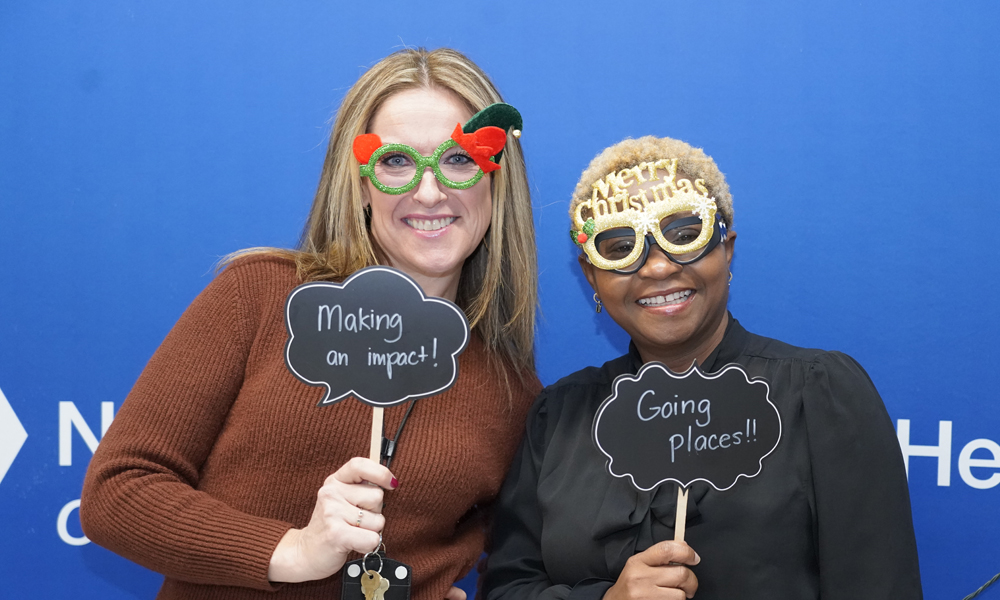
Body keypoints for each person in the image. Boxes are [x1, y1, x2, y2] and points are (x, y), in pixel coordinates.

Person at [80, 48, 541, 600]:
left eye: (460, 159)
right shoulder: (260, 295)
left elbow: (515, 566)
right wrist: (293, 551)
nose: (428, 191)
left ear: (496, 179)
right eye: (396, 162)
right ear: (360, 182)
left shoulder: (511, 386)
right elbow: (118, 491)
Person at [481, 136, 922, 600]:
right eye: (620, 246)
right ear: (591, 275)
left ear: (726, 249)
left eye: (684, 235)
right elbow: (506, 589)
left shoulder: (819, 395)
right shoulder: (560, 417)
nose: (655, 267)